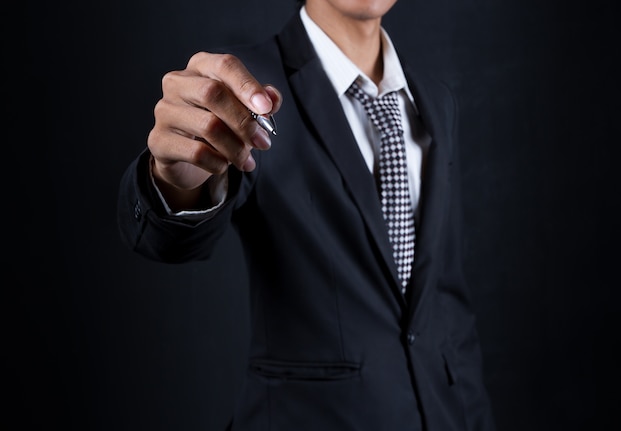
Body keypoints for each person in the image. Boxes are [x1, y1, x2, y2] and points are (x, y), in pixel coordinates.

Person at [117, 0, 497, 429]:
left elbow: (444, 302)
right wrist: (178, 179)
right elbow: (165, 238)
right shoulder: (241, 89)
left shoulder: (435, 97)